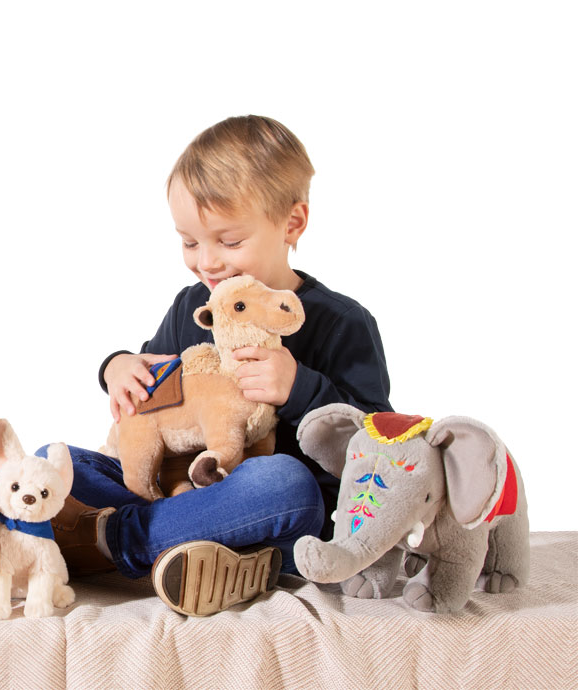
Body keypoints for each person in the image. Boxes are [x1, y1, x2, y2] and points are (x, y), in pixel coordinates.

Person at [45, 115, 392, 616]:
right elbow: (150, 387)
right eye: (189, 242)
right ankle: (186, 546)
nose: (207, 262)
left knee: (284, 483)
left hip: (279, 515)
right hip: (177, 490)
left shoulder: (343, 323)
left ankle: (104, 542)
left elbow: (378, 452)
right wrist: (116, 367)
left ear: (292, 223)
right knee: (51, 459)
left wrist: (302, 390)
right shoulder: (192, 304)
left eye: (229, 242)